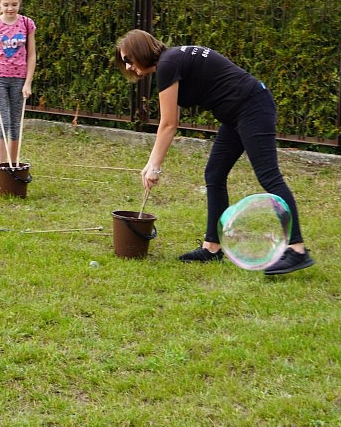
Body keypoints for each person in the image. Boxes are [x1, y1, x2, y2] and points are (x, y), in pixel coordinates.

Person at [115, 29, 313, 275]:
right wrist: (152, 162)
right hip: (236, 114)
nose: (128, 66)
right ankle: (212, 248)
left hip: (252, 107)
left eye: (128, 59)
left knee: (269, 176)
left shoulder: (168, 64)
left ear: (141, 52)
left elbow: (168, 124)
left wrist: (154, 166)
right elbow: (172, 117)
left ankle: (297, 250)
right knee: (214, 174)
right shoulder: (171, 60)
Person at [0, 0, 37, 166]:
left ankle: (14, 166)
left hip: (19, 80)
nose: (10, 8)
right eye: (6, 4)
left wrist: (27, 83)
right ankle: (2, 167)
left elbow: (31, 55)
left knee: (15, 125)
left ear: (20, 3)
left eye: (14, 4)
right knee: (2, 123)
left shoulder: (27, 24)